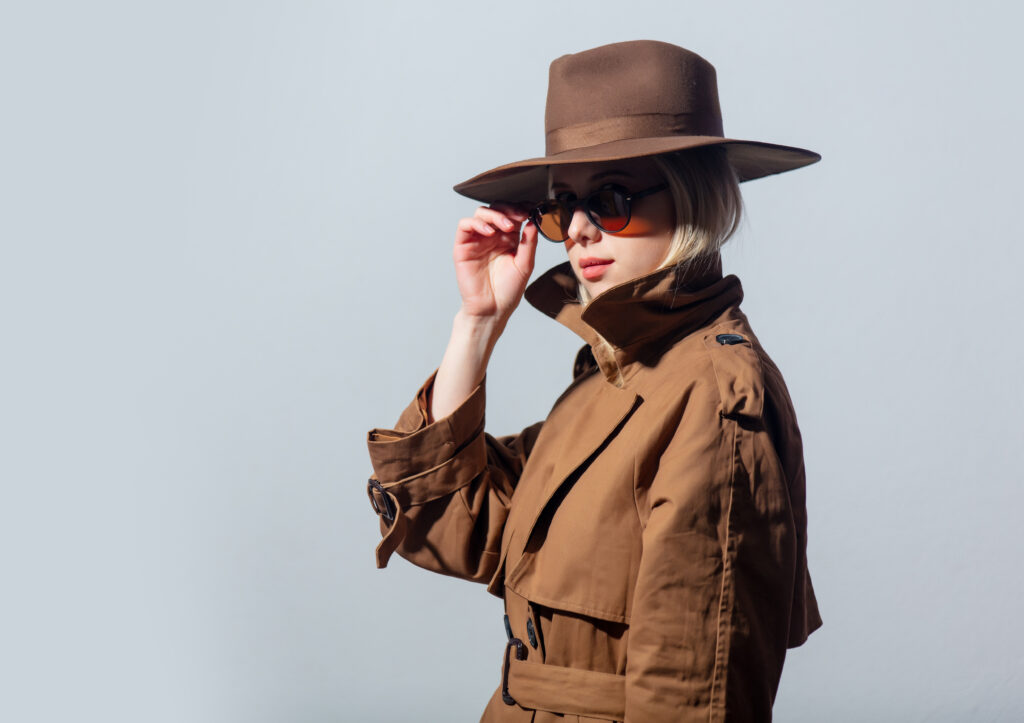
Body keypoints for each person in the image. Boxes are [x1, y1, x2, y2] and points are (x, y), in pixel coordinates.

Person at [365, 39, 822, 722]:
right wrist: (478, 322)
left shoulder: (717, 397)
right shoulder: (607, 378)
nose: (578, 230)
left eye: (610, 197)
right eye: (561, 207)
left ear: (692, 195)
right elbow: (450, 524)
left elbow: (693, 697)